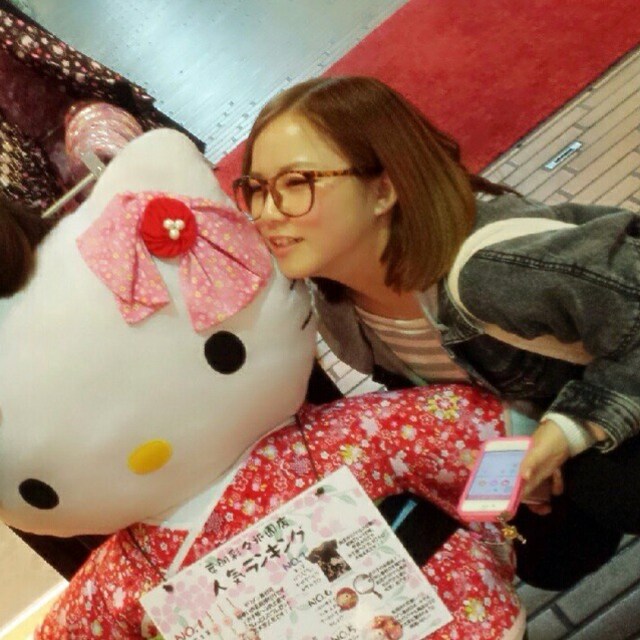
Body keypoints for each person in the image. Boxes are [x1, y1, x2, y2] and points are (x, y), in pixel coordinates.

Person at [232, 75, 639, 589]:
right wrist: (518, 440)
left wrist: (566, 432)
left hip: (618, 393)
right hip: (550, 418)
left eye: (296, 183)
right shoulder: (340, 310)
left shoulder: (485, 271)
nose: (266, 213)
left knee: (608, 483)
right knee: (540, 549)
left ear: (383, 189)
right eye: (256, 189)